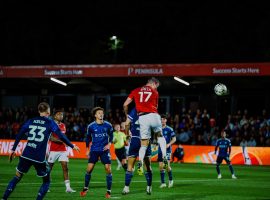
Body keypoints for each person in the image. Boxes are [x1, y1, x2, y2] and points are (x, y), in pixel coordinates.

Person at [1, 102, 80, 200]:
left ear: (39, 111)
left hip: (26, 154)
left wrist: (13, 150)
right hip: (39, 157)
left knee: (17, 177)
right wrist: (72, 146)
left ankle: (4, 198)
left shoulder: (31, 120)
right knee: (46, 181)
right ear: (48, 111)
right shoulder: (50, 123)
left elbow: (20, 134)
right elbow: (61, 136)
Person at [123, 77, 167, 175]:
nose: (156, 88)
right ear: (154, 83)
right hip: (154, 116)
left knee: (144, 143)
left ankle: (140, 162)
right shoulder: (155, 93)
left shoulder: (135, 90)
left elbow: (125, 104)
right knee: (160, 136)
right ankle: (164, 156)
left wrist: (126, 114)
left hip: (142, 117)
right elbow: (156, 107)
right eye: (156, 86)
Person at [80, 107, 113, 198]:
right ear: (95, 115)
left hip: (104, 151)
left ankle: (108, 191)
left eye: (102, 113)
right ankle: (86, 187)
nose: (101, 114)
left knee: (108, 169)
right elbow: (88, 138)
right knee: (89, 170)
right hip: (94, 150)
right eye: (99, 113)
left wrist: (109, 144)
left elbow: (111, 135)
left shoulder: (108, 125)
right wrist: (87, 149)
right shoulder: (91, 126)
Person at [122, 108, 153, 195]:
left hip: (135, 139)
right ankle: (149, 187)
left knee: (130, 166)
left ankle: (126, 187)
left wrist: (127, 134)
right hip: (146, 139)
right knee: (148, 166)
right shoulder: (151, 110)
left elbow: (127, 123)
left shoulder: (135, 109)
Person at [47, 110, 76, 193]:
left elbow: (63, 137)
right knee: (49, 169)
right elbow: (51, 138)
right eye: (59, 114)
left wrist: (65, 142)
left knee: (65, 168)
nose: (61, 116)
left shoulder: (63, 125)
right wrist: (63, 142)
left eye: (62, 115)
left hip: (63, 150)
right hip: (53, 150)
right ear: (55, 116)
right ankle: (46, 186)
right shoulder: (51, 125)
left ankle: (68, 188)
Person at [158, 114, 176, 188]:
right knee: (160, 167)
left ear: (166, 120)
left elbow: (174, 139)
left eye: (164, 119)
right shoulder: (158, 129)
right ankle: (163, 183)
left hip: (167, 150)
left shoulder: (169, 129)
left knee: (166, 165)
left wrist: (169, 144)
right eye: (161, 119)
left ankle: (171, 180)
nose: (162, 120)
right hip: (160, 150)